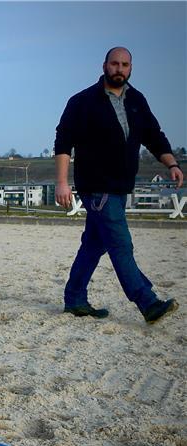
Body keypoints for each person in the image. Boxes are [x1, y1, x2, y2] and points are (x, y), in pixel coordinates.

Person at [55, 47, 182, 324]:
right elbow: (63, 142)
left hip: (121, 186)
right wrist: (62, 183)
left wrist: (171, 164)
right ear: (104, 65)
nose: (119, 69)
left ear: (131, 68)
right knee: (121, 244)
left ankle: (75, 299)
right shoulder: (82, 101)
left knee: (93, 245)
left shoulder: (137, 100)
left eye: (125, 64)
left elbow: (153, 135)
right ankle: (147, 302)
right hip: (97, 187)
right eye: (115, 63)